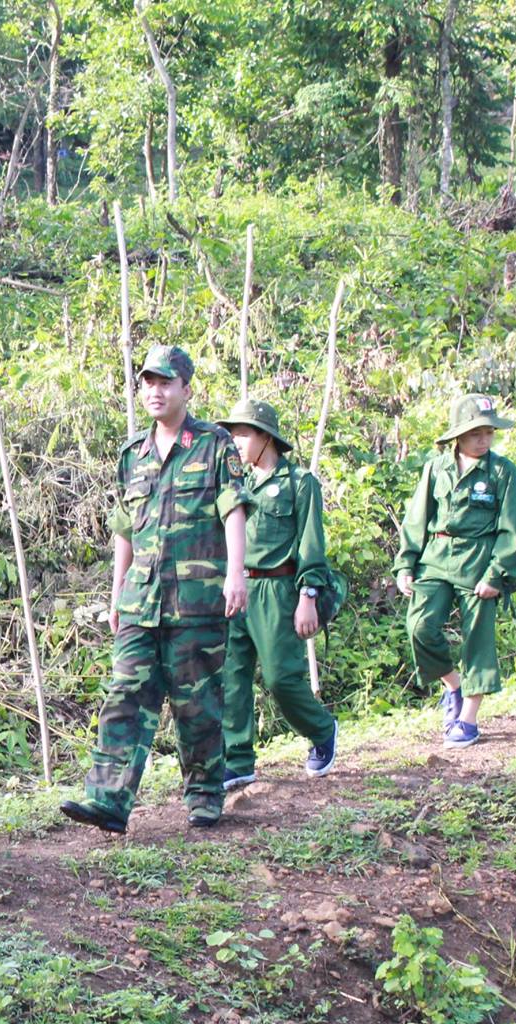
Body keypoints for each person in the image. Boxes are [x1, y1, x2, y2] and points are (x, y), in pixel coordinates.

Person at [61, 345, 248, 834]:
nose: (155, 391)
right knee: (125, 693)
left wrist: (236, 571)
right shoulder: (133, 455)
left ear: (187, 388)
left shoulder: (215, 445)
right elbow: (125, 529)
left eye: (165, 382)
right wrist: (116, 591)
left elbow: (233, 509)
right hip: (140, 601)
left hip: (197, 601)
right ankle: (108, 800)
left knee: (197, 704)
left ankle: (206, 796)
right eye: (148, 382)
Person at [395, 394, 516, 748]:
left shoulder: (502, 471)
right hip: (437, 555)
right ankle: (453, 687)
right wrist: (406, 563)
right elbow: (417, 518)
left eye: (488, 432)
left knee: (478, 637)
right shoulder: (435, 467)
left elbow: (512, 527)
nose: (483, 440)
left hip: (480, 559)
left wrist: (497, 574)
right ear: (458, 436)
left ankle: (468, 719)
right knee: (420, 626)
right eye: (475, 434)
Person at [217, 397, 339, 786]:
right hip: (237, 586)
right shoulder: (236, 484)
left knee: (280, 678)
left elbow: (310, 545)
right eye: (232, 433)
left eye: (243, 433)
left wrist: (309, 596)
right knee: (231, 675)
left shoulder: (299, 483)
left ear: (265, 437)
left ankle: (321, 730)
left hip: (278, 589)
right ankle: (237, 759)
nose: (235, 441)